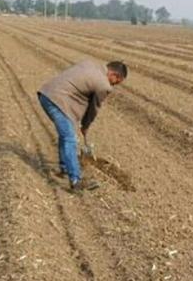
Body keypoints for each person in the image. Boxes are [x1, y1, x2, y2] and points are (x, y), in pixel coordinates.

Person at [37, 59, 128, 192]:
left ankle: (64, 168)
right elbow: (94, 109)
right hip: (57, 101)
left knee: (65, 135)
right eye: (116, 82)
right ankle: (75, 180)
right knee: (70, 139)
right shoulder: (103, 85)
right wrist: (85, 126)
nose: (114, 85)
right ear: (114, 75)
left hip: (46, 94)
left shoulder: (90, 64)